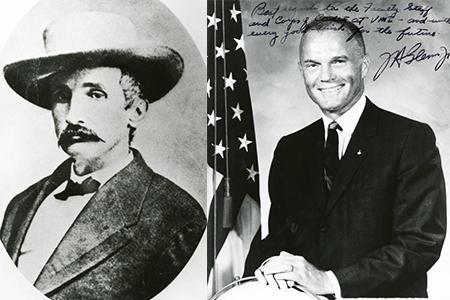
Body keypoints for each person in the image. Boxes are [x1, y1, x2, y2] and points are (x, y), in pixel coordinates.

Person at [0, 11, 205, 300]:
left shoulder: (177, 218)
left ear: (135, 111)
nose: (72, 116)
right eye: (61, 96)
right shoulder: (19, 207)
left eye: (95, 94)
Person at [244, 16, 446, 298]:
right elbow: (280, 237)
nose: (325, 76)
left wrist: (331, 281)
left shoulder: (409, 138)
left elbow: (419, 243)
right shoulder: (290, 149)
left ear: (363, 65)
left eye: (338, 61)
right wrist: (268, 265)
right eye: (313, 65)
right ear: (302, 69)